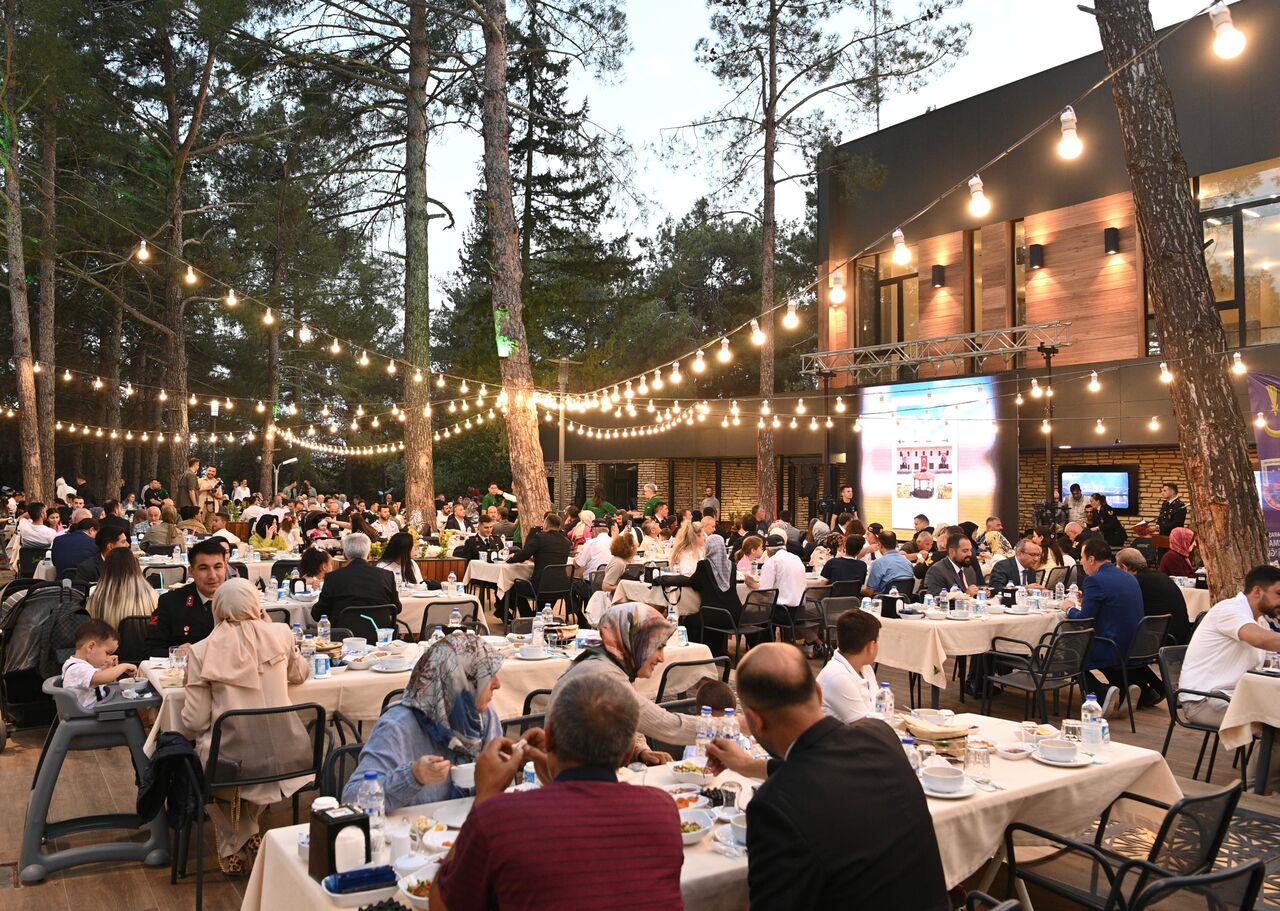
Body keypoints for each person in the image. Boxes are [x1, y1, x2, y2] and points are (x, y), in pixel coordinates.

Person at [705, 643, 949, 910]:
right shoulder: (880, 736)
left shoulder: (774, 806)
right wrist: (748, 765)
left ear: (756, 721)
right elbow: (825, 772)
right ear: (819, 695)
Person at [430, 672, 684, 911]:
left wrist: (485, 796)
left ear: (549, 737)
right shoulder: (662, 809)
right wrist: (555, 778)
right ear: (629, 751)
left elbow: (442, 905)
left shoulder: (499, 819)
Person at [180, 577, 310, 874]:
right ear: (256, 603)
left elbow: (195, 719)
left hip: (233, 760)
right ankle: (247, 833)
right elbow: (300, 674)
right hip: (289, 753)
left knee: (205, 749)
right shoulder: (280, 633)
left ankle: (239, 839)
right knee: (255, 759)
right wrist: (267, 625)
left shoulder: (201, 650)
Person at [344, 635, 505, 811]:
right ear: (458, 682)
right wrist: (413, 776)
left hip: (476, 830)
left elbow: (502, 792)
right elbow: (352, 799)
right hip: (413, 833)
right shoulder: (398, 726)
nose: (498, 684)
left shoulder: (484, 719)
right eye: (487, 675)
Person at [551, 604, 696, 762]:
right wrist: (720, 729)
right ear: (635, 641)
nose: (662, 658)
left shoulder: (612, 664)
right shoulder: (605, 676)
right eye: (658, 648)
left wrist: (640, 751)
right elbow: (667, 725)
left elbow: (631, 719)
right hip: (575, 778)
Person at [1068, 537, 1144, 715]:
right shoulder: (1129, 577)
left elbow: (1084, 619)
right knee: (1091, 647)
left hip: (1109, 644)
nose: (1081, 561)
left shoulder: (1095, 580)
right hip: (1133, 642)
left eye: (1082, 557)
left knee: (1070, 654)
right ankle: (1125, 688)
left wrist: (1069, 609)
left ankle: (1101, 692)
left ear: (1091, 559)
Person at [145, 538, 229, 657]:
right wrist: (175, 652)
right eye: (203, 568)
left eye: (218, 567)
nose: (212, 575)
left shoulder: (239, 601)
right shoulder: (171, 602)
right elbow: (151, 650)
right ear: (191, 571)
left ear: (225, 567)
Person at [1116, 547, 1191, 651]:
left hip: (1160, 639)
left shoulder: (1135, 583)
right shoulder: (1162, 576)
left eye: (1117, 566)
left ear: (1124, 568)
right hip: (1180, 636)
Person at [314, 533, 401, 622]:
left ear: (344, 555)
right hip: (379, 633)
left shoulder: (333, 578)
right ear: (368, 554)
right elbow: (397, 608)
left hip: (343, 633)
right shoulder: (387, 576)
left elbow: (317, 614)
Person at [815, 610, 881, 723]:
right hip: (840, 739)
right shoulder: (837, 676)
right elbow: (864, 727)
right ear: (871, 646)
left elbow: (878, 711)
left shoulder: (865, 668)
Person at [61, 619, 138, 711]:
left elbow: (102, 681)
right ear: (91, 647)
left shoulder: (83, 666)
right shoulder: (76, 669)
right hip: (89, 717)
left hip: (98, 710)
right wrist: (122, 666)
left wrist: (107, 668)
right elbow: (101, 678)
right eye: (107, 653)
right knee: (131, 713)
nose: (108, 657)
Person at [88, 547, 160, 630]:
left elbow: (91, 625)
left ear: (106, 568)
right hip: (143, 641)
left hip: (108, 641)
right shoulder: (152, 595)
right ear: (135, 566)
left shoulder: (97, 598)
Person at [506, 512, 572, 597]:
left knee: (511, 587)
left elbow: (524, 555)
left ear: (546, 525)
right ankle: (543, 610)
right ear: (559, 527)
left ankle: (527, 611)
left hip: (540, 586)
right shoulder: (566, 541)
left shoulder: (540, 538)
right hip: (562, 587)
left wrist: (512, 557)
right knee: (547, 597)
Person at [746, 533, 807, 611]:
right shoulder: (796, 558)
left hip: (783, 612)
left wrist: (752, 584)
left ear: (768, 550)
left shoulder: (771, 562)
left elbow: (766, 591)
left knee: (753, 614)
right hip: (801, 611)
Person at [922, 532, 986, 596]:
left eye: (970, 550)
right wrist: (965, 595)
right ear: (952, 551)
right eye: (965, 551)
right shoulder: (936, 571)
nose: (969, 554)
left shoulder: (969, 570)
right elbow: (937, 600)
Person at [73, 526, 128, 593]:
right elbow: (79, 596)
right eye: (123, 542)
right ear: (110, 546)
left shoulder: (128, 564)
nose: (127, 545)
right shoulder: (87, 568)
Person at [863, 531, 916, 596]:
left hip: (882, 602)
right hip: (904, 601)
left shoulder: (878, 563)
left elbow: (870, 592)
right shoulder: (908, 562)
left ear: (879, 544)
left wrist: (856, 591)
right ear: (896, 543)